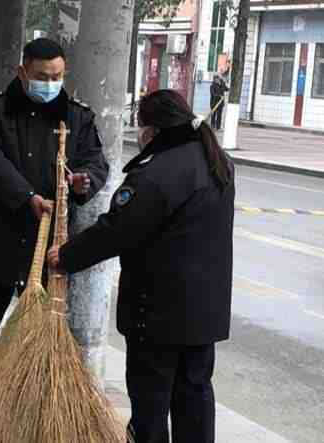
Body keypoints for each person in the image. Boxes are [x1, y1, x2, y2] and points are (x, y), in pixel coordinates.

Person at [0, 37, 110, 414]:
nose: (50, 83)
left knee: (41, 326)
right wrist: (27, 196)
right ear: (23, 71)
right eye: (42, 76)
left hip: (49, 242)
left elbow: (96, 162)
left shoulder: (77, 116)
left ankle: (31, 399)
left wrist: (85, 181)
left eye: (57, 76)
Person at [48, 89, 235, 443]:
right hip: (203, 313)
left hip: (158, 313)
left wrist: (67, 255)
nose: (139, 134)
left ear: (153, 129)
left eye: (140, 125)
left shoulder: (156, 173)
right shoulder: (216, 161)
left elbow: (117, 230)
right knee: (195, 395)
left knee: (151, 403)